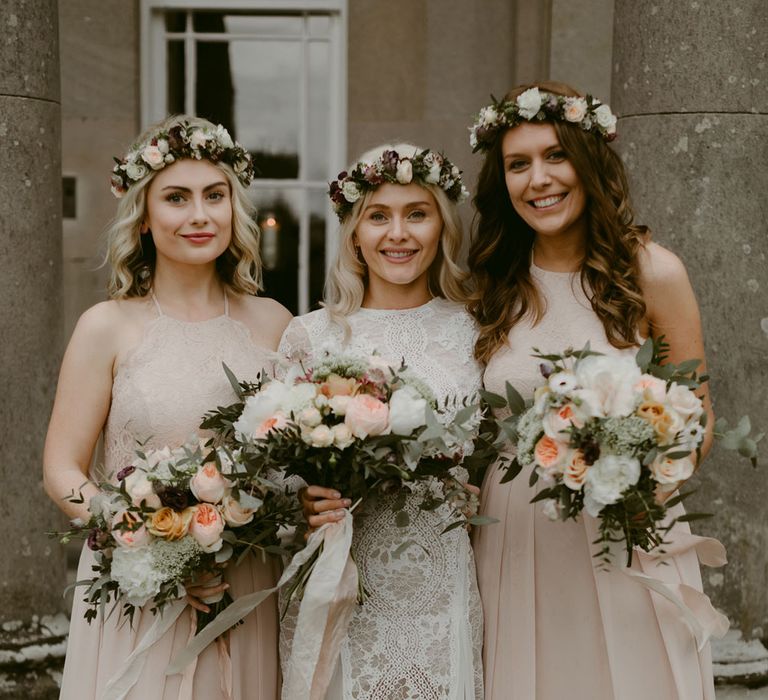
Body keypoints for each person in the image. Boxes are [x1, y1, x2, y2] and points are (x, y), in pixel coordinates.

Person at [467, 81, 726, 699]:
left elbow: (698, 418)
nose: (539, 179)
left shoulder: (653, 272)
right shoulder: (490, 283)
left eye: (556, 156)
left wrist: (640, 474)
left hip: (625, 528)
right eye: (518, 164)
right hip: (516, 533)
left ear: (589, 162)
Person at [43, 115, 292, 700]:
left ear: (235, 209)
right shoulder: (106, 326)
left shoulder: (277, 324)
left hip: (247, 585)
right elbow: (62, 472)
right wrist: (159, 552)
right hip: (138, 586)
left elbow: (288, 463)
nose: (199, 215)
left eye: (215, 196)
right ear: (145, 216)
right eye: (177, 198)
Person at [279, 144, 485, 699]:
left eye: (416, 213)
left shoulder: (476, 332)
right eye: (379, 216)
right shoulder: (312, 336)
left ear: (442, 226)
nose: (399, 233)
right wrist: (303, 502)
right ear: (354, 234)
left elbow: (495, 451)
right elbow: (273, 473)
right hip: (341, 576)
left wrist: (478, 489)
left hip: (440, 578)